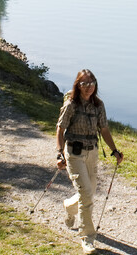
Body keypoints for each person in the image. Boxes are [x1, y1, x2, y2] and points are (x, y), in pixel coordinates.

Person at [55, 69, 124, 254]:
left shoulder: (98, 105)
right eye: (84, 84)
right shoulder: (71, 105)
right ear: (78, 85)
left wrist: (115, 150)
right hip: (74, 154)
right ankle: (87, 238)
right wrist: (59, 154)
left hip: (92, 153)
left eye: (91, 83)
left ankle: (69, 208)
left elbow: (104, 130)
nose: (88, 87)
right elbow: (60, 129)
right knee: (86, 194)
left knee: (90, 192)